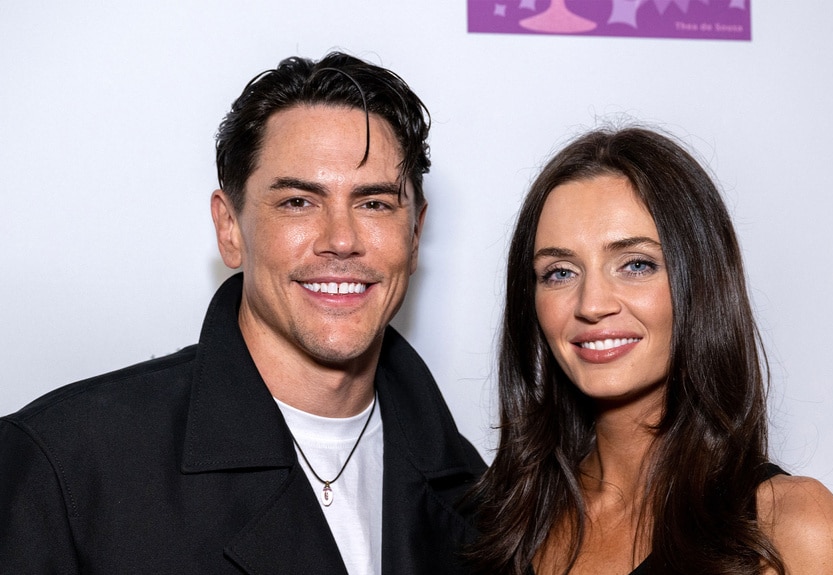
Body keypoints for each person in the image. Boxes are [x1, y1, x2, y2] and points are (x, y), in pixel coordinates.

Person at [0, 52, 486, 574]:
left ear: (414, 236)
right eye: (299, 202)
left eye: (374, 204)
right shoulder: (67, 465)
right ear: (230, 229)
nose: (341, 241)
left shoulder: (484, 499)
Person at [468, 127, 833, 574]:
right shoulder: (504, 520)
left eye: (637, 264)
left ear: (700, 282)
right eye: (559, 272)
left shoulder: (791, 528)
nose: (592, 304)